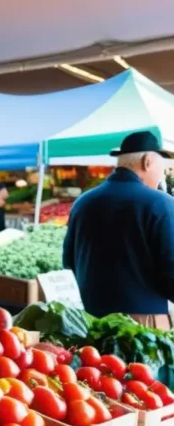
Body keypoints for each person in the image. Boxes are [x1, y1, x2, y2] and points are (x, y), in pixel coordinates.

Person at [63, 131, 174, 327]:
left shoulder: (83, 202)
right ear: (147, 162)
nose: (161, 176)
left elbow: (68, 261)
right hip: (142, 324)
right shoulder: (160, 203)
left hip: (91, 321)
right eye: (162, 169)